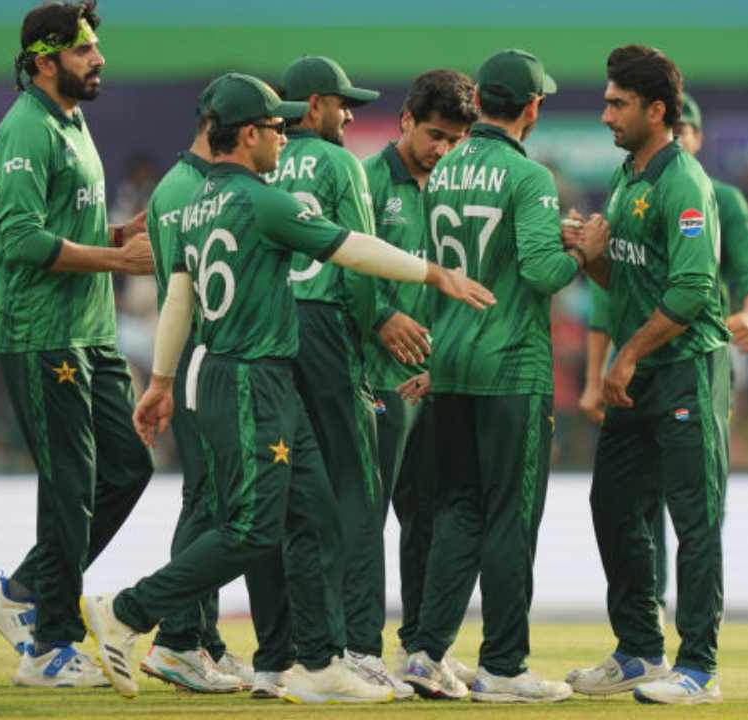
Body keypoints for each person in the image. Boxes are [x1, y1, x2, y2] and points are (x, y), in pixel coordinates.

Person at [78, 72, 494, 704]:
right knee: (253, 528)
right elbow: (351, 248)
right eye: (277, 127)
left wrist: (162, 380)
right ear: (249, 134)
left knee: (314, 511)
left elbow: (179, 297)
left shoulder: (197, 199)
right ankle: (127, 611)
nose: (285, 136)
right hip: (253, 377)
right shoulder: (262, 200)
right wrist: (436, 275)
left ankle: (318, 664)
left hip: (228, 370)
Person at [399, 48, 609, 704]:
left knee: (457, 513)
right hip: (511, 369)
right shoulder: (529, 175)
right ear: (533, 107)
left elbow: (437, 270)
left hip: (452, 365)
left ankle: (425, 652)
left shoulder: (444, 169)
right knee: (510, 519)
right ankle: (504, 666)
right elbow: (543, 272)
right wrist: (585, 254)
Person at [0, 0, 155, 688]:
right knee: (71, 485)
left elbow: (62, 227)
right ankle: (51, 648)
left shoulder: (72, 122)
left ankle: (20, 589)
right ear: (45, 62)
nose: (98, 58)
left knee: (128, 467)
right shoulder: (25, 128)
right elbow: (20, 240)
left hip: (91, 332)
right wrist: (119, 261)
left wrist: (118, 235)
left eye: (95, 47)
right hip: (44, 333)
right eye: (82, 50)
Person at [567, 45, 730, 705]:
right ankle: (639, 649)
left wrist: (626, 354)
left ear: (656, 110)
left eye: (619, 104)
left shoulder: (683, 183)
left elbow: (691, 292)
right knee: (611, 504)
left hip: (686, 370)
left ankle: (700, 668)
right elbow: (628, 281)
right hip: (638, 373)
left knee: (695, 518)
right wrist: (591, 257)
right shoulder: (627, 178)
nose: (606, 115)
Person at [576, 92, 748, 612]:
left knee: (694, 507)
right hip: (636, 365)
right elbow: (614, 292)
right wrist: (597, 371)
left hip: (689, 359)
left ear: (696, 137)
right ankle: (647, 625)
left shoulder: (711, 193)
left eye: (686, 132)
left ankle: (695, 646)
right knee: (627, 503)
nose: (678, 140)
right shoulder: (627, 181)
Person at [139, 76, 290, 698]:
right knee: (208, 504)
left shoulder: (181, 189)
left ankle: (199, 640)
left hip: (200, 362)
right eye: (272, 125)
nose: (281, 135)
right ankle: (178, 637)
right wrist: (165, 378)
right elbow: (185, 294)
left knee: (215, 504)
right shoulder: (197, 191)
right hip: (218, 363)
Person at [264, 55, 410, 692]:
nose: (349, 115)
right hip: (325, 326)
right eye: (343, 103)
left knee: (286, 494)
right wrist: (376, 321)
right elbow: (359, 258)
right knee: (358, 491)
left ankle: (280, 656)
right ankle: (359, 649)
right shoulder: (338, 163)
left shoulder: (261, 162)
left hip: (267, 331)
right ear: (315, 104)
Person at [360, 69, 479, 688]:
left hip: (436, 378)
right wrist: (380, 316)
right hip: (373, 378)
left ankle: (420, 648)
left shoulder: (457, 188)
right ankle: (350, 649)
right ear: (405, 120)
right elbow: (334, 265)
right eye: (435, 135)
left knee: (427, 517)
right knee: (365, 516)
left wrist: (446, 359)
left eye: (456, 140)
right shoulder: (366, 181)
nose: (444, 150)